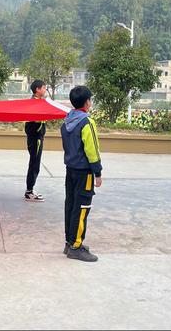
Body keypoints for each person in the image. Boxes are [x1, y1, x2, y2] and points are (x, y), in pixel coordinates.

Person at [61, 85, 102, 263]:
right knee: (82, 207)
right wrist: (97, 171)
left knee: (70, 205)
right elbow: (92, 149)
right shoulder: (86, 122)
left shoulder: (67, 121)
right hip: (84, 172)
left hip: (70, 170)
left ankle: (69, 242)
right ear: (87, 102)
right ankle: (76, 247)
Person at [24, 80, 47, 202]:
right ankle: (29, 192)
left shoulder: (39, 102)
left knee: (35, 163)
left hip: (37, 137)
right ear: (37, 90)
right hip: (35, 138)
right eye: (43, 88)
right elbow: (32, 122)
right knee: (34, 164)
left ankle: (30, 190)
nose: (45, 89)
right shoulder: (34, 103)